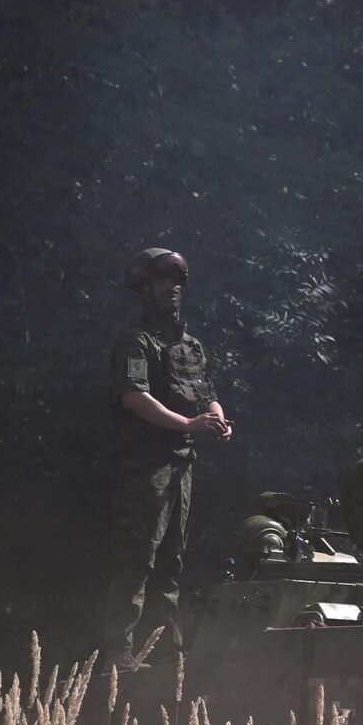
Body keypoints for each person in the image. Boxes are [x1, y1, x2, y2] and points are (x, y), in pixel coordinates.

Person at [102, 247, 232, 667]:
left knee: (171, 562)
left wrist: (217, 421)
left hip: (181, 464)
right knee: (137, 558)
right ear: (144, 290)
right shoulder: (136, 342)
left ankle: (166, 655)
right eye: (162, 282)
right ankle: (120, 652)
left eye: (177, 282)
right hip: (146, 464)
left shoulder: (191, 346)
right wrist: (189, 425)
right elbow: (134, 398)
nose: (172, 289)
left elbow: (208, 396)